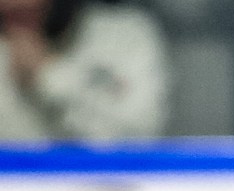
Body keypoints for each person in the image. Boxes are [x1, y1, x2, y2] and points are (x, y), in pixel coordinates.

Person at [0, 0, 168, 141]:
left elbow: (138, 141)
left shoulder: (126, 35)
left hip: (103, 178)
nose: (15, 4)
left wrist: (51, 77)